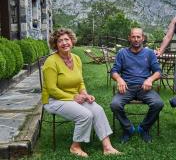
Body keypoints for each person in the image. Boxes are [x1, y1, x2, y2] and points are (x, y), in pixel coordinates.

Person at [42, 28, 120, 157]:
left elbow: (80, 82)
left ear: (72, 41)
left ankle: (107, 147)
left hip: (74, 97)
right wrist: (74, 97)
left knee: (98, 110)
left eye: (67, 39)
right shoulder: (51, 62)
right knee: (85, 115)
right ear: (55, 45)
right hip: (54, 100)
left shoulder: (76, 59)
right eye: (60, 41)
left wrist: (85, 94)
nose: (64, 43)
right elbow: (52, 90)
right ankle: (75, 146)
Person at [110, 28, 164, 143]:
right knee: (115, 104)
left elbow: (158, 72)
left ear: (143, 38)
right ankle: (128, 129)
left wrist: (150, 79)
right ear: (129, 38)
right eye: (133, 37)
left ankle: (143, 128)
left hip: (144, 87)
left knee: (158, 103)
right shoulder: (122, 53)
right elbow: (114, 71)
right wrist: (119, 79)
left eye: (138, 37)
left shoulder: (149, 53)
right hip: (127, 87)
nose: (136, 39)